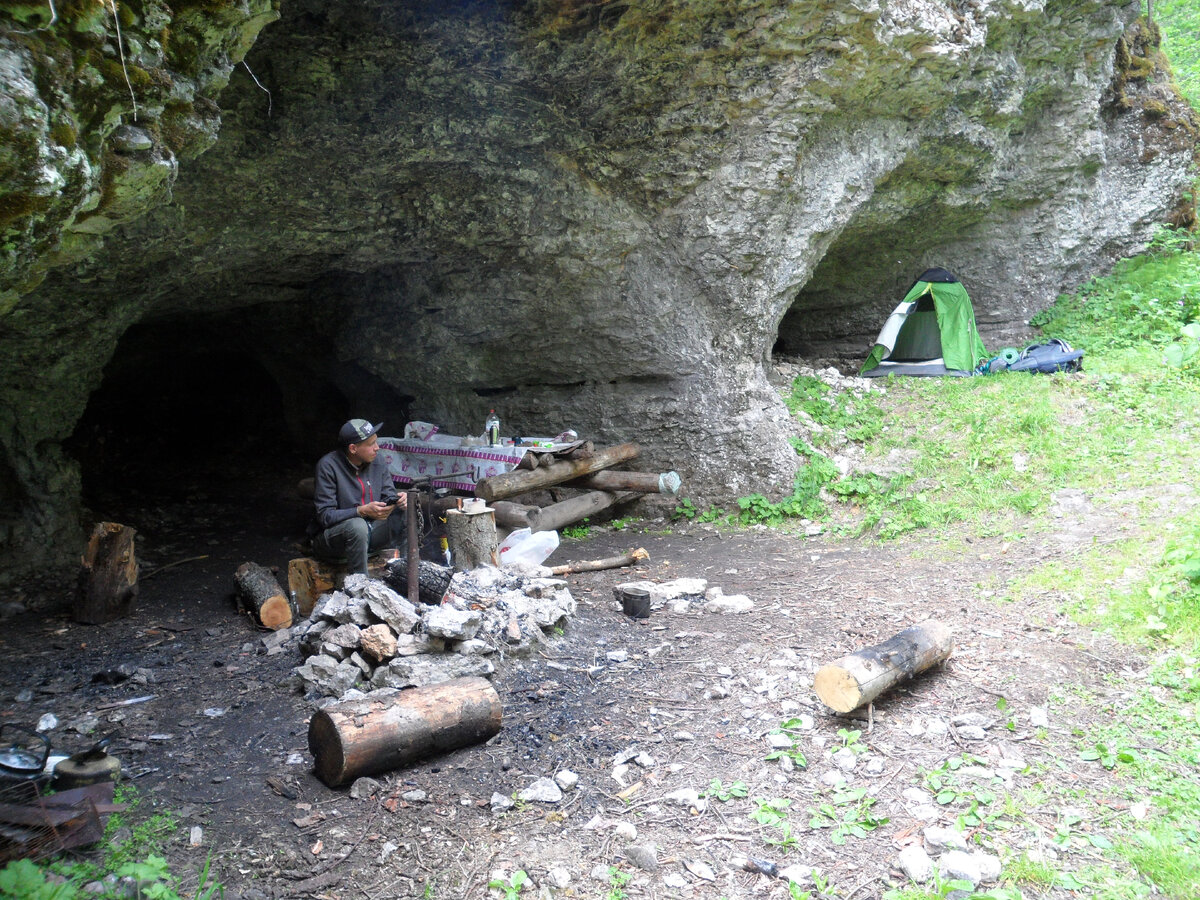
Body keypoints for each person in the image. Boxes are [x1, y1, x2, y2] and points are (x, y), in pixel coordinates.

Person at [308, 419, 407, 574]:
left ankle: (407, 574)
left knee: (410, 512)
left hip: (371, 532)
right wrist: (361, 511)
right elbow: (325, 516)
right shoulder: (328, 466)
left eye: (377, 442)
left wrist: (398, 501)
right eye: (371, 444)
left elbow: (388, 494)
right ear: (353, 448)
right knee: (357, 526)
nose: (377, 448)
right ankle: (360, 588)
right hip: (334, 541)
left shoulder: (377, 461)